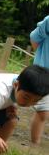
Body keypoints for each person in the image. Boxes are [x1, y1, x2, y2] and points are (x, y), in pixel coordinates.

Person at [29, 15, 49, 145]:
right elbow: (34, 38)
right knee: (43, 112)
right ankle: (34, 145)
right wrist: (41, 57)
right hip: (44, 73)